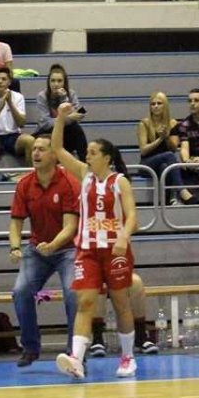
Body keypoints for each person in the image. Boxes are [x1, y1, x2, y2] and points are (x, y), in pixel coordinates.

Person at [52, 102, 140, 380]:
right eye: (87, 152)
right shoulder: (85, 175)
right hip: (88, 249)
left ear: (106, 157)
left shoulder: (119, 182)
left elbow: (133, 216)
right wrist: (60, 119)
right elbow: (57, 150)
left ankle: (128, 356)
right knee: (85, 302)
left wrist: (123, 237)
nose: (87, 156)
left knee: (121, 303)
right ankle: (76, 358)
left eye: (92, 152)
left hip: (115, 250)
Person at [9, 134, 79, 367]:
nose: (35, 153)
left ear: (54, 155)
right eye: (33, 149)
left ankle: (74, 353)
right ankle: (30, 347)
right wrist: (15, 246)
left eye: (41, 149)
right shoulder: (25, 184)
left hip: (67, 250)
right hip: (37, 249)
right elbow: (16, 221)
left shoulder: (69, 182)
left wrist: (53, 246)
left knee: (73, 294)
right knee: (20, 291)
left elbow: (70, 227)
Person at [137, 90, 193, 206]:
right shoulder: (144, 124)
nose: (156, 106)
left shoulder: (172, 123)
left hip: (165, 164)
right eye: (153, 104)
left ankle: (167, 201)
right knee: (169, 156)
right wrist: (160, 139)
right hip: (147, 164)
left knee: (165, 166)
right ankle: (182, 191)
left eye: (159, 103)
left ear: (165, 105)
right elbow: (143, 150)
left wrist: (166, 138)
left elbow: (173, 148)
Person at [88, 274, 160, 356]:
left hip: (118, 273)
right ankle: (97, 339)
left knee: (136, 282)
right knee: (98, 283)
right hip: (96, 273)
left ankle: (141, 337)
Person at [0, 67, 34, 171]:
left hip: (13, 136)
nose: (0, 81)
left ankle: (31, 176)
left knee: (30, 140)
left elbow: (21, 124)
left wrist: (10, 103)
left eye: (4, 79)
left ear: (9, 82)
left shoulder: (18, 97)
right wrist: (0, 107)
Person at [34, 64, 86, 161]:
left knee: (76, 129)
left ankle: (86, 165)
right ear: (48, 83)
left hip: (65, 132)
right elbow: (46, 123)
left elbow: (80, 113)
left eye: (59, 81)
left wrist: (64, 98)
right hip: (46, 131)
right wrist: (69, 118)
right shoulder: (42, 96)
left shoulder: (71, 93)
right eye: (53, 81)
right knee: (72, 126)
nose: (56, 84)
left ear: (64, 82)